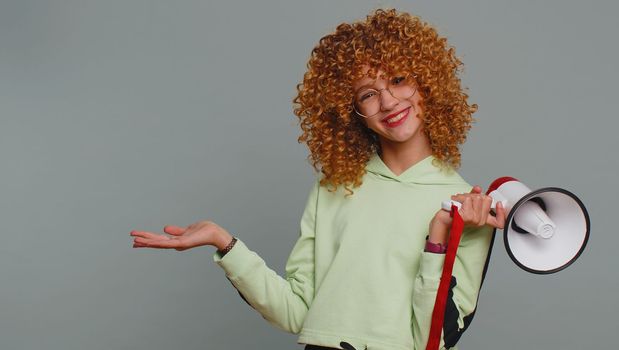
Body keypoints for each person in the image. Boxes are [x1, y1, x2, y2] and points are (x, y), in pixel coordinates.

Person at [130, 8, 506, 350]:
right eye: (368, 94)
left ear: (427, 80)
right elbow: (295, 312)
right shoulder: (335, 187)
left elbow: (435, 338)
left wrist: (439, 238)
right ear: (352, 111)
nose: (389, 102)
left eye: (399, 78)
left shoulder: (468, 207)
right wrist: (224, 243)